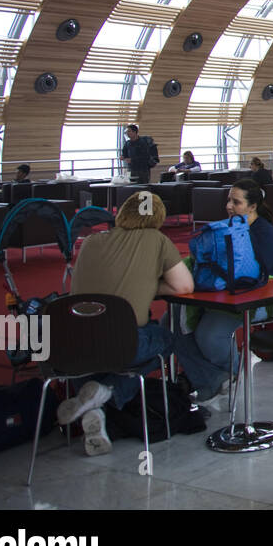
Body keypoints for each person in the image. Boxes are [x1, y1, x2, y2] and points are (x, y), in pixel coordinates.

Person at [60, 192, 200, 453]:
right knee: (166, 337)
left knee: (99, 354)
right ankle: (109, 392)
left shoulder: (91, 241)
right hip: (123, 342)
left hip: (72, 344)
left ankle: (97, 412)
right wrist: (151, 284)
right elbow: (184, 286)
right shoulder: (157, 240)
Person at [188, 180, 273, 400]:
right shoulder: (226, 229)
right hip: (221, 297)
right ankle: (213, 378)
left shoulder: (266, 236)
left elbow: (262, 280)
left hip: (257, 302)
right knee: (174, 323)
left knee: (209, 335)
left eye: (236, 202)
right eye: (228, 200)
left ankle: (235, 368)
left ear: (252, 207)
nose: (229, 206)